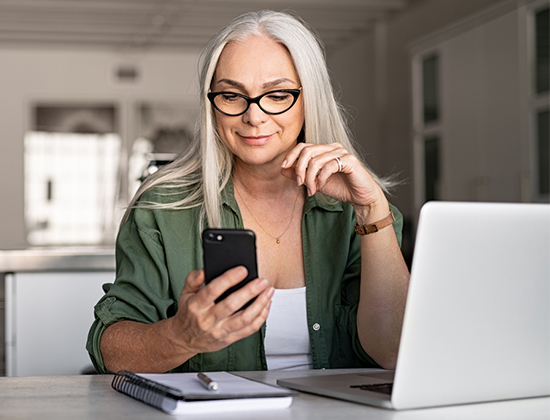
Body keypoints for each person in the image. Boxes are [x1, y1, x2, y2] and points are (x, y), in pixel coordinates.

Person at [86, 10, 410, 374]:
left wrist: (372, 211)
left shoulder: (362, 212)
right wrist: (182, 336)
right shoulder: (162, 207)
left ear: (309, 98)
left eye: (276, 95)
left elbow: (394, 352)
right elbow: (110, 350)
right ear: (212, 105)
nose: (253, 116)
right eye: (231, 95)